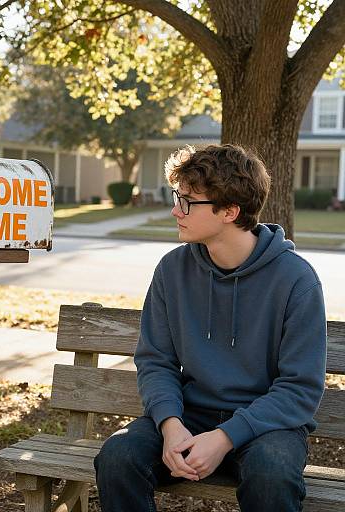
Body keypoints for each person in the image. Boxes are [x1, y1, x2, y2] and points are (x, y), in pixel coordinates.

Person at [94, 144, 327, 511]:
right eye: (177, 197)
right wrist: (171, 425)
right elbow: (156, 361)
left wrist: (223, 438)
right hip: (190, 414)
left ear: (230, 212)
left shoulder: (296, 280)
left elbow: (300, 388)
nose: (175, 210)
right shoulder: (172, 270)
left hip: (268, 425)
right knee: (118, 456)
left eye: (187, 201)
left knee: (272, 475)